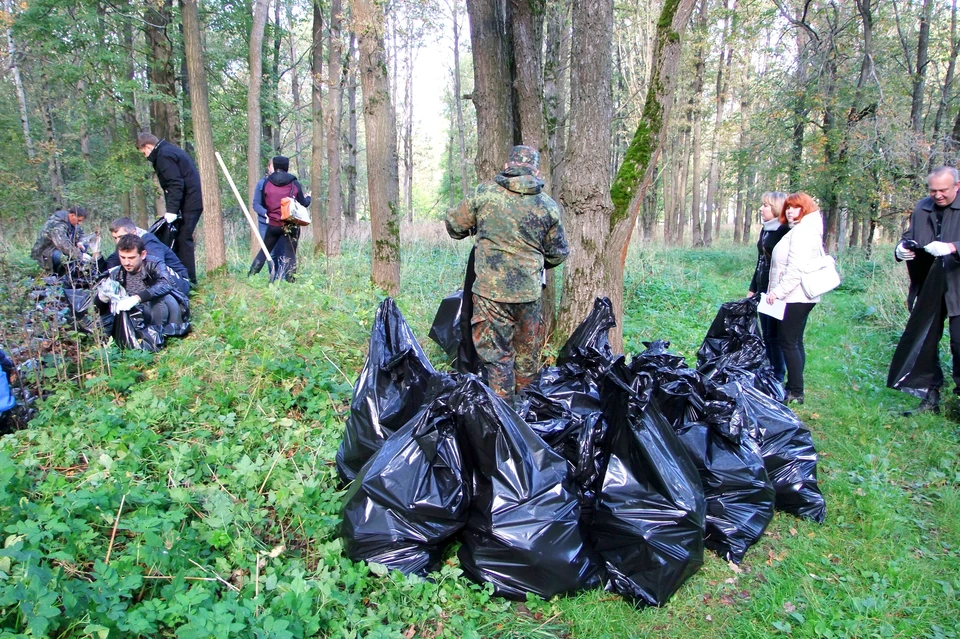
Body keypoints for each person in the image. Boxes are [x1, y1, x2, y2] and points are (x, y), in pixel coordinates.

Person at [445, 144, 569, 401]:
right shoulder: (547, 205)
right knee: (527, 359)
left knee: (498, 359)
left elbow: (454, 225)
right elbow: (558, 253)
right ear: (535, 170)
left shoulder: (484, 195)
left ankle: (504, 423)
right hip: (529, 294)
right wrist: (532, 264)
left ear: (507, 167)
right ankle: (525, 417)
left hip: (491, 295)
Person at [893, 166, 960, 415]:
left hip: (957, 286)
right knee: (925, 343)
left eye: (943, 190)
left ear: (957, 185)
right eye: (933, 190)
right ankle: (929, 397)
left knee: (959, 343)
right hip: (928, 286)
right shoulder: (922, 207)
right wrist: (901, 248)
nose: (938, 195)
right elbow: (909, 235)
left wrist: (953, 247)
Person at [765, 192, 824, 405]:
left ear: (805, 209)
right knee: (795, 342)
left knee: (788, 342)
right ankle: (795, 387)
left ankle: (795, 391)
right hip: (797, 295)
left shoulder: (802, 232)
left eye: (796, 207)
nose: (790, 211)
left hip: (795, 296)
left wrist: (777, 293)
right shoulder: (801, 230)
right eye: (788, 207)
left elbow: (794, 270)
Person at [136, 132, 203, 285]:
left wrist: (172, 210)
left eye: (144, 152)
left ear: (148, 146)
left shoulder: (163, 156)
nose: (146, 156)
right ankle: (181, 278)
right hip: (188, 201)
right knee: (179, 238)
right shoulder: (168, 150)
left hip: (189, 202)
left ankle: (188, 280)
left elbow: (175, 184)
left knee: (183, 239)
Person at [95, 234, 189, 329]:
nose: (126, 263)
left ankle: (160, 333)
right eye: (123, 258)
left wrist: (137, 298)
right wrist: (101, 298)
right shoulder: (116, 273)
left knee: (163, 300)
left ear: (143, 254)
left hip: (159, 309)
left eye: (131, 258)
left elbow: (165, 284)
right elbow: (97, 310)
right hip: (136, 315)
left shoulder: (154, 264)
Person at [747, 191, 790, 383]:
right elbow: (760, 261)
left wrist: (779, 290)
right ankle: (771, 370)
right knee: (766, 333)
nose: (761, 208)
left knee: (775, 335)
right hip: (763, 287)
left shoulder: (785, 230)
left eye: (765, 205)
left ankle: (778, 375)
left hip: (778, 288)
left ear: (776, 208)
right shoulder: (765, 229)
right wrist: (753, 288)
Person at [248, 156, 311, 283]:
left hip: (273, 224)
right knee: (290, 254)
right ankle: (290, 283)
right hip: (291, 224)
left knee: (264, 252)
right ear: (287, 167)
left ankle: (251, 277)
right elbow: (303, 203)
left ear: (275, 166)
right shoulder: (294, 183)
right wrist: (308, 198)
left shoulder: (266, 182)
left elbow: (264, 202)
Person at [101, 217, 191, 296]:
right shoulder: (124, 245)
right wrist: (96, 254)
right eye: (115, 238)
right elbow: (109, 267)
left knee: (145, 266)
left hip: (178, 282)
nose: (118, 241)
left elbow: (157, 268)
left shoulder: (149, 242)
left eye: (120, 237)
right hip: (152, 284)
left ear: (133, 232)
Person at [31, 206, 100, 275]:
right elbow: (62, 245)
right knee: (61, 256)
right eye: (79, 220)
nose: (80, 223)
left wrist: (80, 242)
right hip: (46, 254)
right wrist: (80, 255)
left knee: (84, 246)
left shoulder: (73, 224)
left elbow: (81, 235)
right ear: (72, 216)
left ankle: (78, 271)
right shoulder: (57, 224)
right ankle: (58, 274)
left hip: (63, 250)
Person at [252, 160, 273, 239]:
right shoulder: (261, 184)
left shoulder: (286, 184)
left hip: (281, 223)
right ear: (269, 167)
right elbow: (256, 204)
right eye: (273, 166)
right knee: (269, 250)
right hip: (265, 223)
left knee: (282, 251)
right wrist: (267, 213)